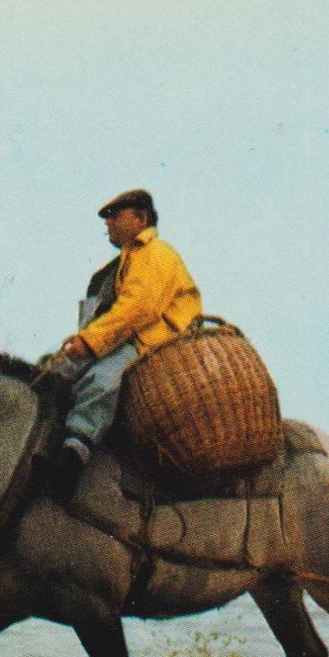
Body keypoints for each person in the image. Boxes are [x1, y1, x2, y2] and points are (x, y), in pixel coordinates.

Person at [40, 188, 202, 496]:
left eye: (115, 215)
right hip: (129, 336)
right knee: (53, 369)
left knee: (102, 379)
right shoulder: (126, 261)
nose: (108, 223)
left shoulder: (157, 253)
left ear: (141, 218)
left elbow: (137, 309)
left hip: (155, 344)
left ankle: (73, 458)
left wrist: (88, 343)